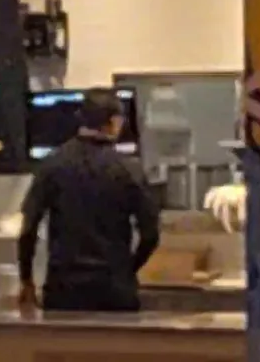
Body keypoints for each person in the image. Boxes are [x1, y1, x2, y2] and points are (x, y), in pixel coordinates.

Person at [17, 87, 161, 312]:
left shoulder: (52, 165)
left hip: (64, 290)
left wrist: (26, 279)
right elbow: (151, 234)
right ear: (114, 122)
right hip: (114, 291)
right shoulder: (129, 169)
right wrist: (127, 270)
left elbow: (28, 229)